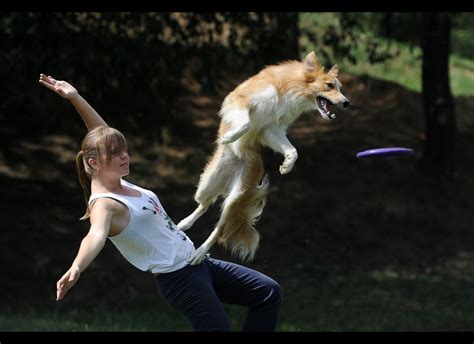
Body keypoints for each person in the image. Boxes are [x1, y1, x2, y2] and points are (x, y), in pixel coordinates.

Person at [38, 74, 282, 332]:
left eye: (124, 150)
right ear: (94, 163)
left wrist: (76, 98)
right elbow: (95, 236)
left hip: (199, 263)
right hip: (179, 280)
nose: (125, 156)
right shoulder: (104, 204)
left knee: (267, 293)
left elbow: (101, 135)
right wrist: (77, 267)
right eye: (116, 154)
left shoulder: (121, 183)